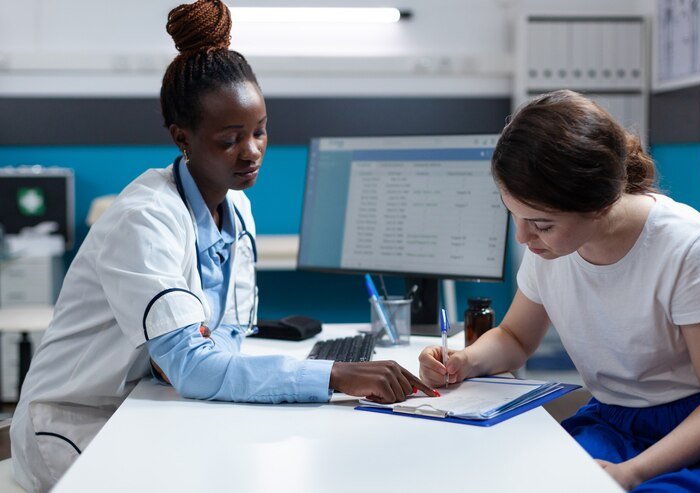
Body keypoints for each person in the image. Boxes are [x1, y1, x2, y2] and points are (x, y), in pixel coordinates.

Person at [10, 2, 434, 491]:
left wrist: (210, 364)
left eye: (260, 131)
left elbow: (224, 337)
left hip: (154, 407)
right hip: (81, 424)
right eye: (230, 139)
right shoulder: (144, 220)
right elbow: (191, 365)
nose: (251, 151)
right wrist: (333, 374)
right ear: (182, 138)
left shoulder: (236, 209)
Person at [419, 90, 700, 491]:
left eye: (541, 223)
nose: (523, 237)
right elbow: (516, 338)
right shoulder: (552, 245)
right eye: (515, 216)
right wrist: (465, 360)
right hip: (611, 420)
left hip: (698, 431)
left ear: (601, 205)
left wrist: (633, 472)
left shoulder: (690, 249)